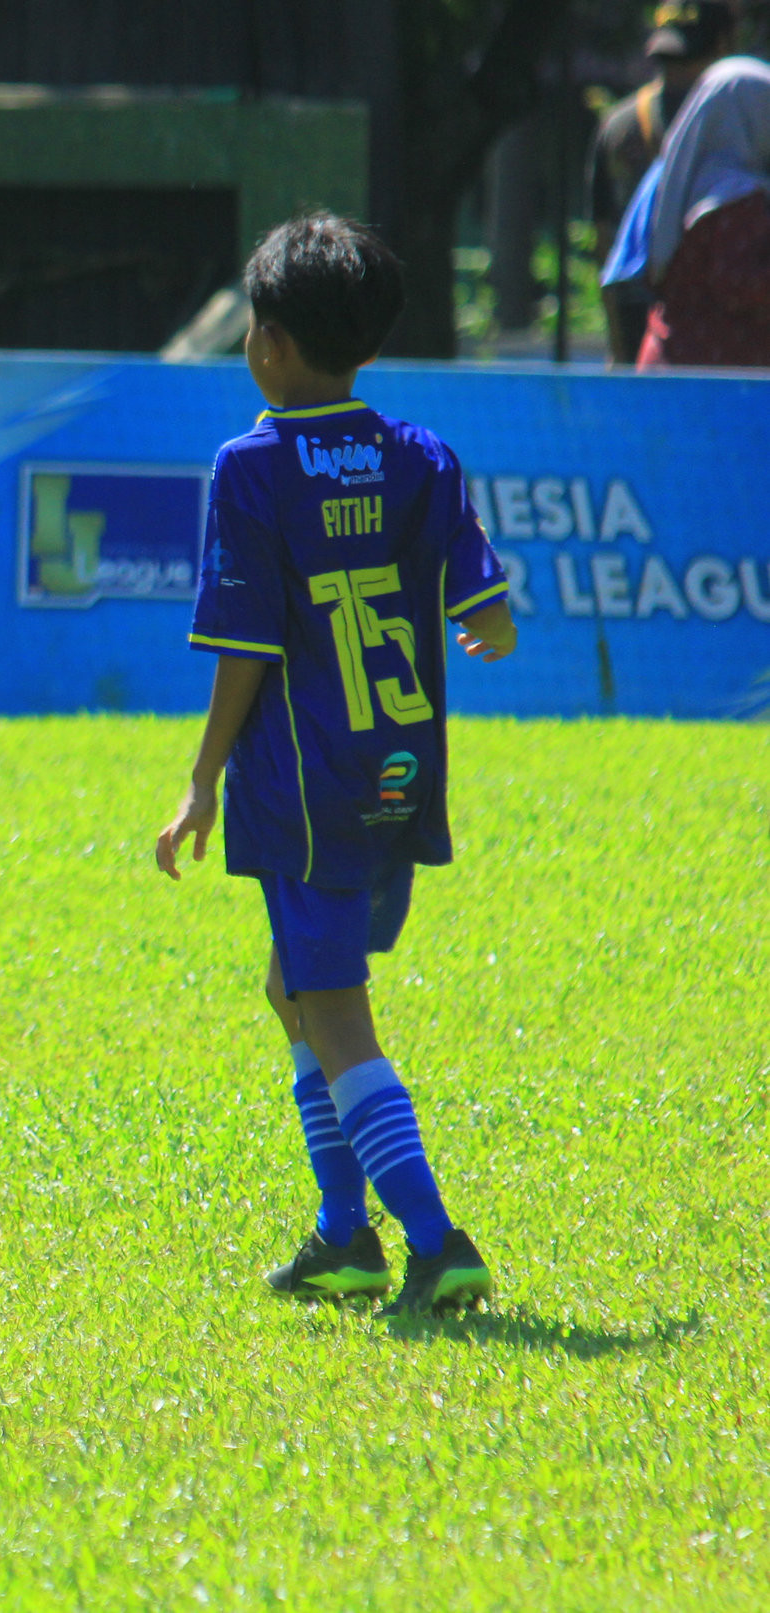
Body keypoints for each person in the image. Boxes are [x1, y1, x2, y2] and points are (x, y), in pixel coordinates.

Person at [153, 213, 518, 1318]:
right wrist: (488, 625)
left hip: (303, 788)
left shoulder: (252, 466)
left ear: (267, 343)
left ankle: (436, 1239)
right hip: (397, 774)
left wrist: (201, 778)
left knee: (335, 1009)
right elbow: (485, 609)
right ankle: (343, 1232)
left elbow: (247, 647)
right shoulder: (422, 455)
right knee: (293, 987)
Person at [590, 3, 736, 363]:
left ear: (722, 47)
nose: (675, 75)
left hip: (714, 319)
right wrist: (618, 345)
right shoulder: (623, 127)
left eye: (686, 60)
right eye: (668, 61)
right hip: (663, 317)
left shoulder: (619, 125)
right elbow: (604, 238)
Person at [638, 52, 770, 367]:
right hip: (712, 378)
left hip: (672, 359)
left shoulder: (683, 179)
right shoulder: (737, 197)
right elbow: (738, 282)